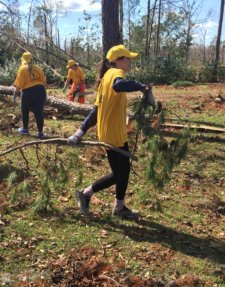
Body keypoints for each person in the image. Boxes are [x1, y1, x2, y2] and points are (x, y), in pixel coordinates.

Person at [67, 44, 154, 217]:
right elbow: (119, 85)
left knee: (124, 171)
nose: (130, 62)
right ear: (119, 60)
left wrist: (79, 132)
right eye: (128, 58)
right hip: (112, 135)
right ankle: (85, 194)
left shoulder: (105, 78)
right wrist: (142, 87)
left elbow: (95, 111)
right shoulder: (115, 74)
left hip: (115, 132)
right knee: (119, 173)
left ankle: (119, 207)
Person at [13, 52, 47, 139]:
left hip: (28, 92)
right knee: (39, 111)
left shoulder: (22, 68)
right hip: (41, 90)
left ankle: (25, 129)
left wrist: (16, 93)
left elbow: (19, 84)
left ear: (23, 59)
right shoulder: (38, 68)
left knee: (25, 110)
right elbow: (43, 81)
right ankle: (40, 133)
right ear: (31, 59)